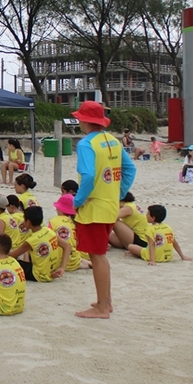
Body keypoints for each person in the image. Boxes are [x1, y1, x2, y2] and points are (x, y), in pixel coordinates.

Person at [71, 100, 136, 320]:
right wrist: (117, 193)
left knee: (97, 256)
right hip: (109, 206)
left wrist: (78, 200)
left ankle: (101, 306)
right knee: (101, 255)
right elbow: (129, 170)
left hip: (94, 208)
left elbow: (88, 176)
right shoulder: (113, 141)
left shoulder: (86, 144)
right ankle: (105, 302)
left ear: (85, 120)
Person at [9, 206, 69, 282]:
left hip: (38, 275)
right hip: (51, 270)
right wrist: (62, 267)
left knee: (12, 263)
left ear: (28, 222)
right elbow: (67, 246)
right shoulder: (49, 231)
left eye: (24, 220)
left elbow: (13, 255)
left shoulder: (31, 240)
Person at [125, 205, 190, 264]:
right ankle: (135, 254)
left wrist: (152, 260)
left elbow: (151, 245)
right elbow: (175, 243)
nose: (146, 215)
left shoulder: (150, 229)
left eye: (148, 214)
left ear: (153, 218)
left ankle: (138, 255)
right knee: (139, 249)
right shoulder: (168, 227)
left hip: (155, 257)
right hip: (168, 257)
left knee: (130, 246)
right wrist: (182, 256)